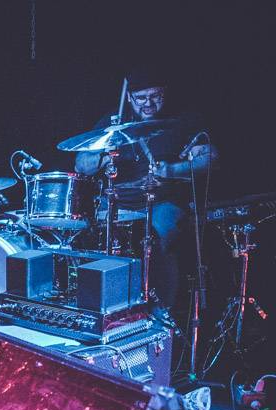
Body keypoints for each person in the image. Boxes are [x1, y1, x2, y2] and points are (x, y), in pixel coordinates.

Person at [74, 68, 217, 309]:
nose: (148, 103)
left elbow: (211, 158)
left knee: (158, 234)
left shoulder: (183, 121)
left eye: (155, 96)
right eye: (141, 98)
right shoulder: (114, 122)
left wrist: (172, 170)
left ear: (165, 93)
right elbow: (81, 165)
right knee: (93, 240)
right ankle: (108, 307)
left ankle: (162, 308)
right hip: (118, 203)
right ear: (129, 97)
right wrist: (106, 157)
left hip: (164, 202)